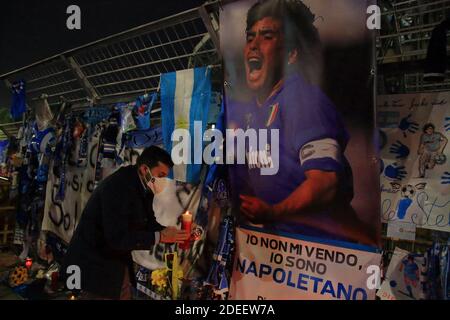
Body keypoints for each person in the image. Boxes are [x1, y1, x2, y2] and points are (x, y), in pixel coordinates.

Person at [228, 0, 376, 244]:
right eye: (250, 36)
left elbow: (325, 183)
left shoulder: (301, 100)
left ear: (291, 54)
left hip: (320, 253)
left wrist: (274, 212)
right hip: (280, 248)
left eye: (266, 36)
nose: (253, 44)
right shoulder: (254, 110)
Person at [62, 146, 189, 299]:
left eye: (165, 177)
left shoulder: (143, 185)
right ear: (144, 169)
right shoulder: (118, 187)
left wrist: (173, 233)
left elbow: (147, 222)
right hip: (92, 265)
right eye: (160, 175)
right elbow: (117, 238)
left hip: (114, 263)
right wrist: (159, 236)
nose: (163, 181)